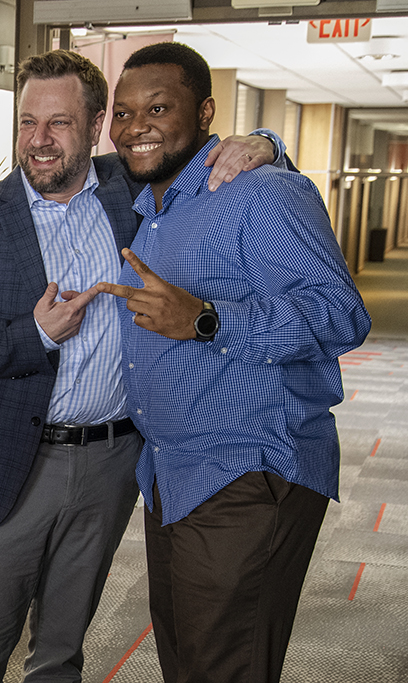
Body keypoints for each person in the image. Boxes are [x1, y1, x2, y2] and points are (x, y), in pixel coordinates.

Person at [0, 48, 280, 683]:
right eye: (28, 122)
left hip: (111, 461)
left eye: (59, 123)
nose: (40, 141)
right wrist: (34, 333)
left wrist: (266, 143)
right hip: (10, 460)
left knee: (61, 652)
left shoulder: (130, 187)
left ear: (95, 126)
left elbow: (207, 152)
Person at [96, 42, 371, 683]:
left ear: (206, 113)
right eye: (124, 112)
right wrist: (271, 138)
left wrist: (207, 320)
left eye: (159, 107)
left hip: (246, 474)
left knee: (226, 666)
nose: (136, 126)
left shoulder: (259, 195)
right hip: (173, 476)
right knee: (192, 663)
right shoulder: (152, 207)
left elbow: (342, 314)